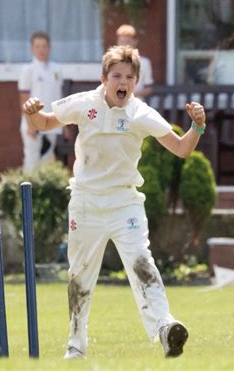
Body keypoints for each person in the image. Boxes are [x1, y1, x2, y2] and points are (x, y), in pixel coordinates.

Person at [23, 45, 207, 359]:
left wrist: (197, 126)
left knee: (141, 262)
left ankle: (165, 328)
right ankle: (76, 343)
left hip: (125, 203)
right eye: (116, 76)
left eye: (129, 77)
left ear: (136, 82)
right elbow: (44, 123)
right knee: (80, 273)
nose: (123, 82)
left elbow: (181, 148)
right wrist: (32, 111)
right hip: (86, 201)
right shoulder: (84, 103)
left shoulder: (140, 113)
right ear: (104, 78)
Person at [18, 31, 63, 173]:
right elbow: (24, 98)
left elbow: (59, 96)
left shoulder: (57, 69)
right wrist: (30, 123)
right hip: (33, 123)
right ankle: (27, 195)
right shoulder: (28, 69)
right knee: (32, 161)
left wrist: (64, 123)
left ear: (49, 48)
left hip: (52, 122)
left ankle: (42, 195)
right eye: (38, 46)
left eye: (44, 46)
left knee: (47, 161)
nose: (41, 50)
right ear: (32, 48)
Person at [116, 24, 154, 99]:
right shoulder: (111, 62)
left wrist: (130, 95)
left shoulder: (144, 62)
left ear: (135, 42)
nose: (124, 45)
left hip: (136, 105)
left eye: (128, 42)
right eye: (122, 42)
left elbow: (149, 88)